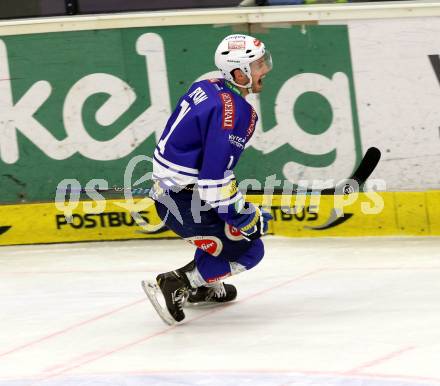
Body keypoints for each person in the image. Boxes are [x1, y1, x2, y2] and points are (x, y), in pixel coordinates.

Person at [143, 34, 273, 324]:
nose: (265, 69)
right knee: (251, 247)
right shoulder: (238, 113)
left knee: (237, 228)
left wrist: (238, 209)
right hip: (186, 204)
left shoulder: (207, 85)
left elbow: (208, 172)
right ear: (239, 73)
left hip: (174, 194)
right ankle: (178, 283)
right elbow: (214, 183)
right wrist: (245, 216)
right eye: (259, 64)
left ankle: (204, 284)